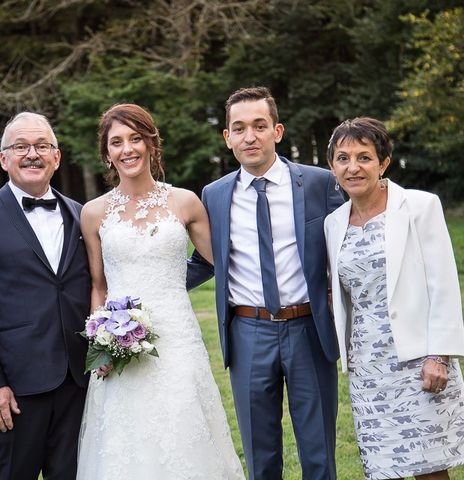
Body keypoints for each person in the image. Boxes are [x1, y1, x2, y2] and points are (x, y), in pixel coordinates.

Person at [77, 103, 244, 479]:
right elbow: (98, 286)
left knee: (184, 432)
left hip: (178, 341)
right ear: (106, 153)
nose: (127, 149)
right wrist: (99, 344)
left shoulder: (184, 202)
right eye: (116, 142)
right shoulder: (93, 213)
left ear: (152, 143)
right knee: (125, 440)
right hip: (117, 346)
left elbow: (226, 263)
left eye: (136, 138)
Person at [187, 86, 344, 479]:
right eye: (238, 128)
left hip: (309, 328)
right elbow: (206, 261)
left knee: (319, 452)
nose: (249, 136)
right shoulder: (214, 195)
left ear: (277, 131)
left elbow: (350, 244)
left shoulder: (319, 183)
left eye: (259, 126)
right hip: (247, 332)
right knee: (260, 454)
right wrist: (141, 287)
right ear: (227, 137)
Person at [324, 117, 464, 480]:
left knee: (430, 467)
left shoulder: (419, 206)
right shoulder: (333, 222)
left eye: (364, 157)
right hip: (367, 364)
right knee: (383, 466)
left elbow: (444, 283)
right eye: (342, 158)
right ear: (332, 166)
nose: (353, 167)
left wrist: (439, 355)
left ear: (383, 162)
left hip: (420, 357)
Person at [0, 112, 90, 480]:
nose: (32, 154)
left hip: (79, 383)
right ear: (4, 158)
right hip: (15, 389)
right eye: (21, 146)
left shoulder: (82, 215)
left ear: (57, 157)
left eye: (42, 146)